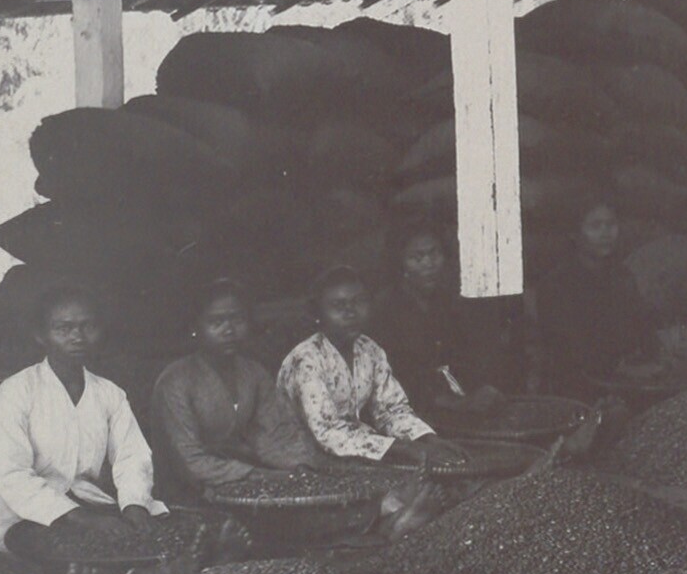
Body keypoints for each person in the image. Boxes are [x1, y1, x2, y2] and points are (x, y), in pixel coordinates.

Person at [0, 284, 173, 574]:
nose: (77, 336)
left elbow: (132, 455)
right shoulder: (14, 393)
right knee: (39, 563)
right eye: (64, 328)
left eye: (87, 326)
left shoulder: (110, 394)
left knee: (153, 529)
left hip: (82, 504)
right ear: (41, 335)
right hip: (18, 512)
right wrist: (82, 519)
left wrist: (134, 505)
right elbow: (13, 476)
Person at [279, 268, 464, 532]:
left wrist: (427, 439)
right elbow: (328, 433)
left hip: (354, 447)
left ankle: (402, 515)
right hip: (307, 455)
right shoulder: (306, 359)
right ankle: (394, 521)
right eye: (338, 306)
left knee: (432, 475)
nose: (350, 312)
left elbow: (391, 409)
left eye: (358, 302)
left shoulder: (370, 350)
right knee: (388, 486)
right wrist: (406, 449)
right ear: (318, 314)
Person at [152, 280, 346, 497]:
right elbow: (188, 461)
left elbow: (275, 435)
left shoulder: (253, 374)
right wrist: (258, 475)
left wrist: (299, 466)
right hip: (187, 492)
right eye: (216, 322)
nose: (229, 330)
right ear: (195, 328)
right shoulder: (176, 381)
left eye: (237, 319)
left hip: (241, 484)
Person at [371, 226, 519, 424]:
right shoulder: (386, 309)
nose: (428, 264)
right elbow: (396, 379)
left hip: (455, 402)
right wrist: (456, 403)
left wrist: (482, 389)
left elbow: (465, 358)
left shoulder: (447, 301)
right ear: (401, 264)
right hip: (408, 412)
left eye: (434, 254)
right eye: (416, 257)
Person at [533, 201, 665, 395]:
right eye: (595, 226)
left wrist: (656, 354)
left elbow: (642, 325)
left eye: (610, 225)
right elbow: (570, 350)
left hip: (621, 379)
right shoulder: (557, 283)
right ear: (575, 234)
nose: (605, 233)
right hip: (574, 385)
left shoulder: (622, 276)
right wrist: (621, 369)